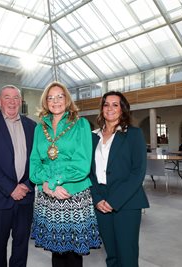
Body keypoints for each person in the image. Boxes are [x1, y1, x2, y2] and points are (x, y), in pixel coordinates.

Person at [29, 81, 101, 267]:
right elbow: (35, 163)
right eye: (50, 97)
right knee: (56, 250)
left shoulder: (81, 124)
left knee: (73, 253)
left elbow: (82, 164)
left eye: (60, 96)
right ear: (45, 102)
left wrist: (53, 182)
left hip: (73, 193)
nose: (56, 101)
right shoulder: (39, 128)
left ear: (67, 99)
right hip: (48, 194)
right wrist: (44, 183)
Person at [0, 85, 36, 267]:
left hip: (25, 197)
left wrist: (26, 184)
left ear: (21, 101)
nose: (12, 101)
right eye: (7, 97)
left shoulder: (32, 126)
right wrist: (11, 188)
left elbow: (37, 159)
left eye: (16, 98)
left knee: (21, 246)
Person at [89, 91, 150, 267]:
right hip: (100, 200)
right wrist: (97, 198)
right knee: (112, 255)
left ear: (122, 109)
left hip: (127, 202)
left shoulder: (134, 134)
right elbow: (89, 172)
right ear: (101, 109)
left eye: (115, 104)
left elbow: (138, 172)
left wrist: (114, 201)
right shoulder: (93, 136)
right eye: (106, 104)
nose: (110, 108)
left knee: (127, 255)